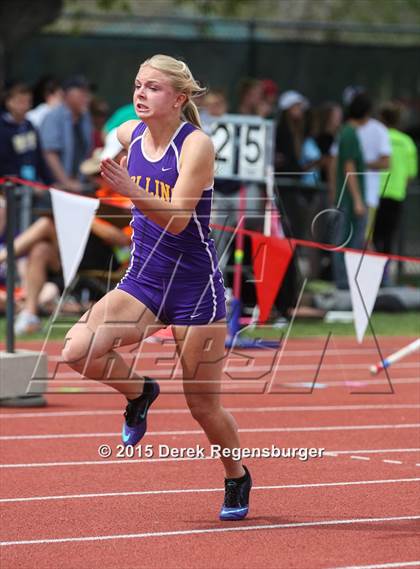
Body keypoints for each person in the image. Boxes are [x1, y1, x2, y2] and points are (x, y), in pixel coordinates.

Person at [62, 54, 252, 521]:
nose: (140, 94)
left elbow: (179, 219)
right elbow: (116, 141)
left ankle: (236, 476)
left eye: (153, 88)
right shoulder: (131, 133)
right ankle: (139, 392)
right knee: (77, 351)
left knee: (203, 406)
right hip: (144, 282)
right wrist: (103, 160)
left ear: (179, 98)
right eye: (137, 85)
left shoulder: (196, 146)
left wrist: (129, 185)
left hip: (193, 287)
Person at [373, 102, 418, 282]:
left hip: (375, 194)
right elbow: (410, 174)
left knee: (373, 236)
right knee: (389, 237)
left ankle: (372, 274)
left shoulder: (379, 138)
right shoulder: (406, 142)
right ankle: (385, 276)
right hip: (396, 194)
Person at [330, 92, 369, 290]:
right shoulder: (350, 134)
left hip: (345, 196)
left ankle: (346, 281)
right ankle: (344, 283)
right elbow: (349, 167)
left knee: (348, 240)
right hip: (349, 199)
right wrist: (358, 200)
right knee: (346, 240)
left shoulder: (346, 132)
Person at [39, 75, 92, 193]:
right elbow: (49, 154)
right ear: (66, 95)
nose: (87, 98)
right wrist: (66, 182)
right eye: (82, 94)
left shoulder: (85, 117)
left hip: (78, 184)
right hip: (54, 188)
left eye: (87, 94)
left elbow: (86, 152)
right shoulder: (53, 117)